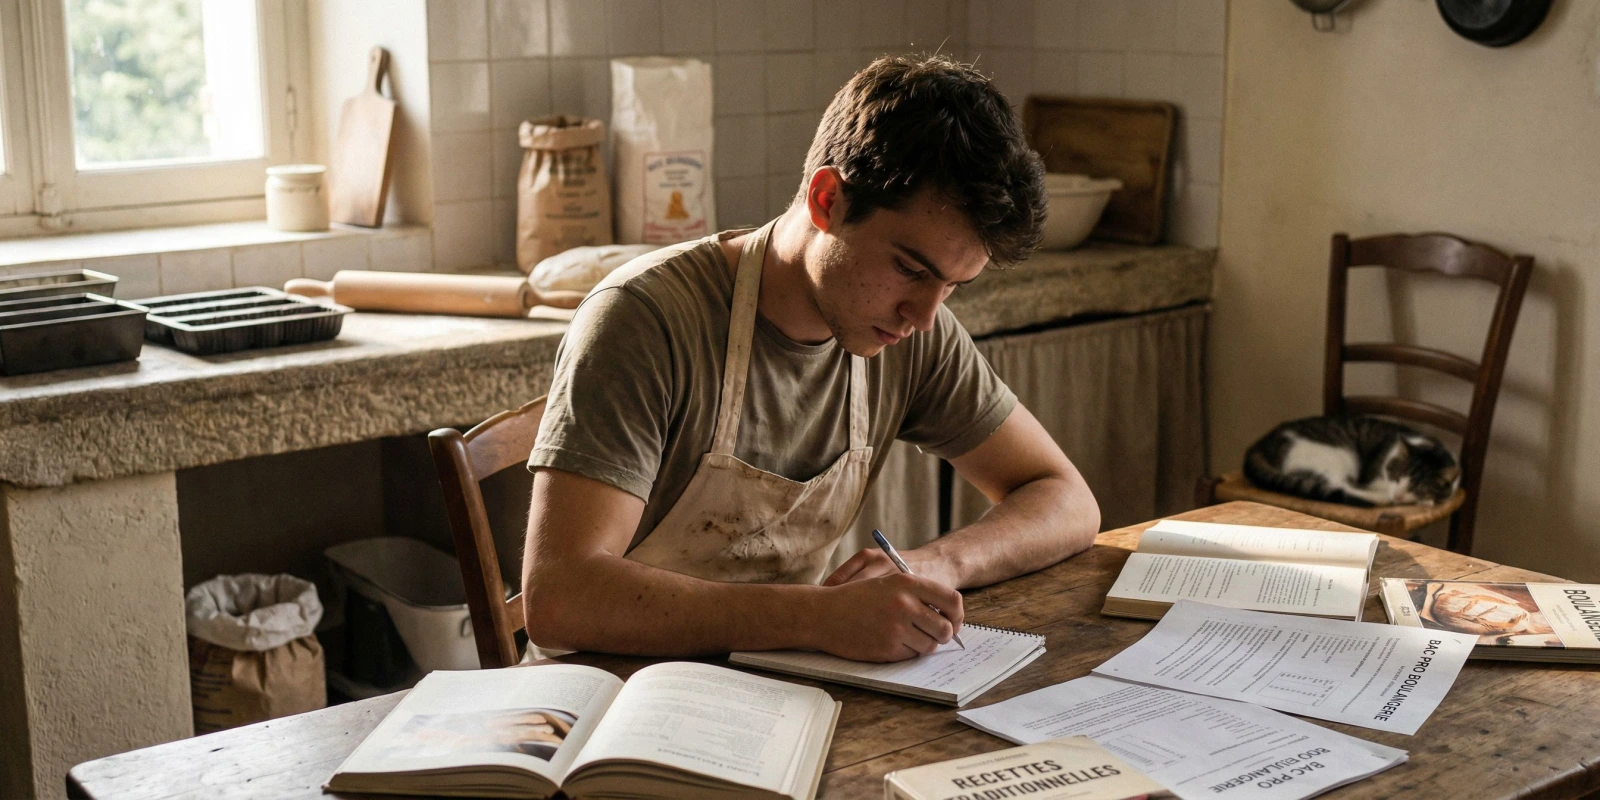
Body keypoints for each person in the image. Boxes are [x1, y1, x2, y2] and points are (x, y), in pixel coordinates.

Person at [520, 54, 1099, 663]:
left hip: (777, 681)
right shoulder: (645, 319)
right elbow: (562, 599)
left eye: (954, 286)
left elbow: (1066, 499)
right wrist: (817, 617)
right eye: (909, 268)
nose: (924, 315)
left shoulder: (915, 332)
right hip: (609, 700)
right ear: (827, 200)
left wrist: (932, 566)